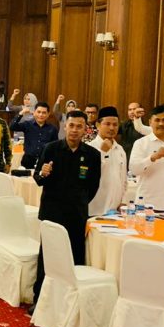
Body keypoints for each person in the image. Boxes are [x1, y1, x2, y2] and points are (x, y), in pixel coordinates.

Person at [31, 110, 101, 307]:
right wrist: (43, 173)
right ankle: (40, 300)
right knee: (48, 256)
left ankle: (71, 302)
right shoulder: (51, 149)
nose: (74, 130)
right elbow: (37, 179)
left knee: (75, 256)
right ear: (65, 126)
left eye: (79, 126)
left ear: (85, 130)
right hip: (52, 212)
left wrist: (80, 202)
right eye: (71, 126)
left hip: (77, 214)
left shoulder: (92, 155)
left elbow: (94, 186)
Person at [87, 107, 127, 216]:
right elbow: (87, 176)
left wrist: (123, 201)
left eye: (115, 125)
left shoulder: (120, 150)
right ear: (98, 125)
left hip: (115, 211)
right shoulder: (89, 148)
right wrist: (102, 152)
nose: (112, 128)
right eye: (107, 124)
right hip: (94, 210)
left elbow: (123, 179)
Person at [10, 101, 57, 170]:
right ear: (34, 112)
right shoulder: (27, 124)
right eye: (38, 112)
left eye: (44, 113)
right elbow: (12, 127)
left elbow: (55, 147)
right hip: (28, 160)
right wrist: (21, 113)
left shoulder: (52, 129)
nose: (41, 115)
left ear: (48, 114)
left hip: (44, 162)